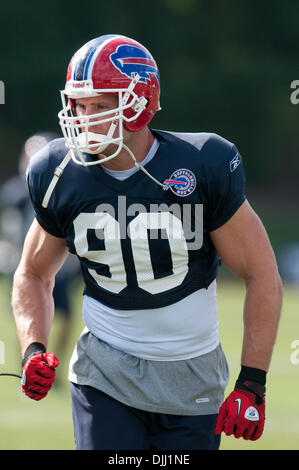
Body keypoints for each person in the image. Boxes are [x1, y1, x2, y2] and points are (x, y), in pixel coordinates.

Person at [12, 34, 282, 450]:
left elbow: (260, 272)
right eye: (78, 105)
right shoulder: (59, 171)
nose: (83, 119)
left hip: (191, 376)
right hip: (104, 372)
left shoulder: (202, 164)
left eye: (100, 106)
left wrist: (253, 382)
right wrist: (33, 347)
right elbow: (32, 272)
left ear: (139, 104)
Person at [0, 133, 80, 380]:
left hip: (60, 262)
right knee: (23, 312)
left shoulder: (68, 190)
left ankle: (58, 359)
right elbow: (9, 229)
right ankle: (27, 359)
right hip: (24, 261)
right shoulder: (16, 193)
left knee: (66, 316)